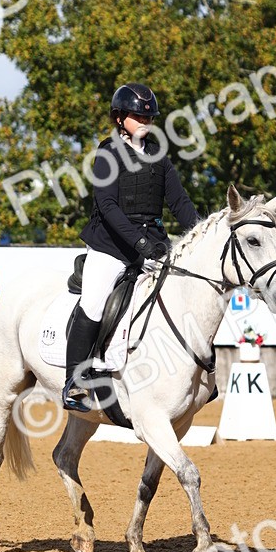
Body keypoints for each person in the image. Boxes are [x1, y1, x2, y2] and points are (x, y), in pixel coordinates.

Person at [62, 82, 200, 411]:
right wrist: (140, 243)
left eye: (149, 116)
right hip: (111, 246)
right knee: (94, 302)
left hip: (153, 246)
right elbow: (107, 207)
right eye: (139, 115)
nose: (146, 120)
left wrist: (201, 234)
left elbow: (180, 203)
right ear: (121, 117)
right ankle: (75, 383)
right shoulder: (107, 154)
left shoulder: (159, 157)